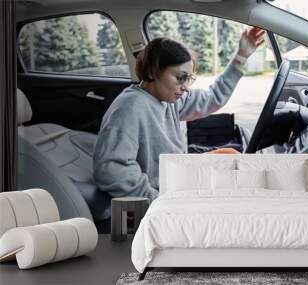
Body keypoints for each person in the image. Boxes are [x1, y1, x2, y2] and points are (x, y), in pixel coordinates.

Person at [93, 27, 265, 202]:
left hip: (176, 177)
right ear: (154, 71)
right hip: (163, 194)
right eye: (180, 78)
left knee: (231, 156)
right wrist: (158, 201)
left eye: (188, 79)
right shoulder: (129, 107)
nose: (185, 87)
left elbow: (212, 98)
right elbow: (112, 169)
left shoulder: (167, 99)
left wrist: (240, 57)